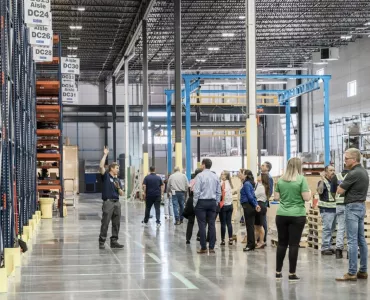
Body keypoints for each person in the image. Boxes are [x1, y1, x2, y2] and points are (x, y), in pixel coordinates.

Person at [274, 157, 311, 282]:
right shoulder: (301, 179)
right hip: (297, 215)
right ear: (299, 166)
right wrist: (309, 192)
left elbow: (277, 197)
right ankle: (292, 273)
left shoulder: (280, 180)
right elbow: (306, 198)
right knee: (294, 244)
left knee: (282, 243)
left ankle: (278, 272)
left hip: (281, 215)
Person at [336, 148, 369, 282]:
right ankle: (363, 270)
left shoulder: (353, 173)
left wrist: (341, 185)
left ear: (354, 159)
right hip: (361, 206)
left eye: (346, 158)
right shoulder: (364, 172)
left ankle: (352, 272)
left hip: (352, 207)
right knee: (361, 240)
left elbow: (339, 190)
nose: (345, 161)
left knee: (352, 241)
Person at [98, 146, 124, 250]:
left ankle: (114, 241)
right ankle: (101, 241)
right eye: (117, 168)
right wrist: (105, 154)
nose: (118, 169)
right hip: (108, 203)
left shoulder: (117, 179)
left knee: (116, 223)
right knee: (105, 222)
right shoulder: (106, 176)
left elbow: (122, 193)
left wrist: (119, 188)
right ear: (112, 168)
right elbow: (101, 166)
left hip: (117, 202)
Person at [193, 159, 221, 254]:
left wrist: (195, 204)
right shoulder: (215, 176)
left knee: (202, 225)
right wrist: (216, 202)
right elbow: (218, 192)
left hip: (201, 202)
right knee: (212, 224)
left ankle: (203, 247)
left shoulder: (199, 176)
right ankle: (212, 247)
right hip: (212, 202)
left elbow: (196, 191)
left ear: (203, 165)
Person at [239, 169, 261, 252]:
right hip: (248, 206)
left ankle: (250, 245)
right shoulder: (247, 183)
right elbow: (253, 196)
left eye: (242, 173)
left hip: (248, 206)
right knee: (250, 226)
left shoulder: (247, 184)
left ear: (246, 175)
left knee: (250, 226)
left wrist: (255, 205)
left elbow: (250, 196)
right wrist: (256, 204)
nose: (240, 175)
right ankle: (251, 244)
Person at [330, 165, 349, 259]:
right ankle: (350, 251)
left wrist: (336, 199)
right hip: (349, 204)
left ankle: (338, 251)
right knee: (350, 228)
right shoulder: (352, 176)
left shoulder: (336, 177)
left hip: (339, 205)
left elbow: (332, 192)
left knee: (340, 227)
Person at [317, 165, 336, 255]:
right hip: (326, 209)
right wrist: (321, 179)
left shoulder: (334, 181)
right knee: (327, 228)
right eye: (331, 170)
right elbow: (320, 191)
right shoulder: (322, 182)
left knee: (332, 228)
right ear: (326, 172)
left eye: (333, 170)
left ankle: (329, 245)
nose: (333, 172)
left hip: (334, 208)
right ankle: (325, 247)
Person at [183, 168, 202, 244]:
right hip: (199, 201)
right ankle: (199, 235)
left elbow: (189, 192)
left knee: (190, 221)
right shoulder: (201, 181)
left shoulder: (192, 181)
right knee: (201, 221)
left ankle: (188, 238)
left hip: (191, 201)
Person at [219, 170, 236, 246]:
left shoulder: (222, 183)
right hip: (230, 205)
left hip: (224, 205)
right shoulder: (230, 183)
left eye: (222, 174)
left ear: (226, 175)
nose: (221, 175)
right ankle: (230, 239)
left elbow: (222, 195)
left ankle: (222, 240)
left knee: (223, 223)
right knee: (229, 223)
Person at [254, 174, 269, 249]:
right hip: (261, 205)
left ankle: (261, 242)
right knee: (257, 225)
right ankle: (257, 241)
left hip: (260, 205)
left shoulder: (261, 187)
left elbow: (254, 195)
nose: (258, 176)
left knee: (259, 226)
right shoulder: (262, 186)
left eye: (259, 175)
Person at [261, 161, 273, 243]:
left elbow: (270, 190)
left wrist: (265, 198)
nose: (261, 166)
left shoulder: (269, 177)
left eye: (263, 165)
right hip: (260, 199)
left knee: (263, 220)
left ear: (267, 168)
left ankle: (264, 238)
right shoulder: (262, 176)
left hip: (264, 200)